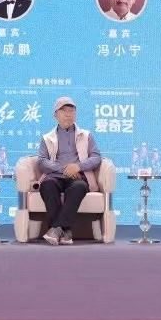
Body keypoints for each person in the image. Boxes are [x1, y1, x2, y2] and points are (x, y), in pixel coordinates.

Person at [36, 97, 103, 245]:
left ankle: (55, 229)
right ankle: (65, 231)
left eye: (71, 111)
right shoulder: (47, 138)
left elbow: (96, 157)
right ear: (55, 115)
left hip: (77, 177)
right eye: (64, 111)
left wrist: (78, 167)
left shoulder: (86, 135)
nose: (68, 114)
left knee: (79, 187)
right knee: (47, 186)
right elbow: (41, 161)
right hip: (55, 176)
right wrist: (64, 168)